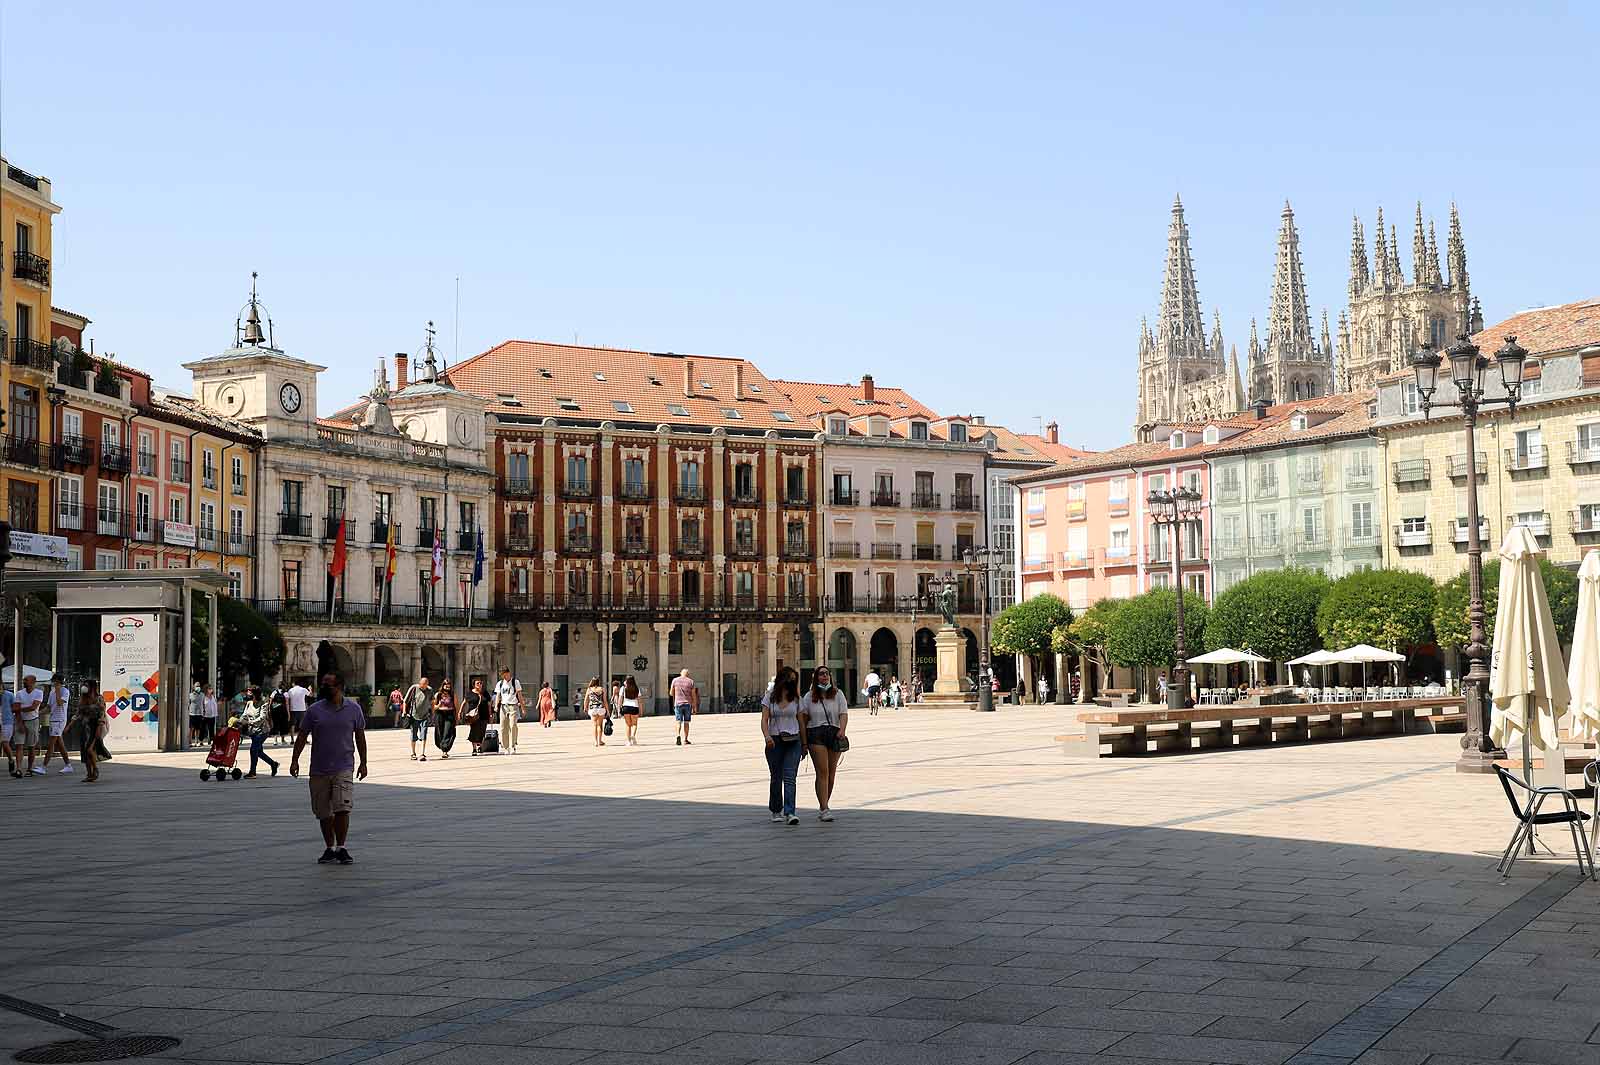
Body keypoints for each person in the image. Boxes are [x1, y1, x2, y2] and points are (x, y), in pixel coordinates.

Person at [290, 671, 368, 865]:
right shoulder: (314, 710)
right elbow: (302, 736)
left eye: (328, 685)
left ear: (339, 686)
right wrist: (294, 760)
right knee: (323, 812)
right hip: (319, 768)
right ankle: (329, 848)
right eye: (323, 684)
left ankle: (341, 847)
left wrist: (364, 762)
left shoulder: (354, 709)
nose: (324, 687)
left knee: (342, 808)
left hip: (344, 766)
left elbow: (360, 737)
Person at [800, 665, 848, 822]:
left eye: (827, 674)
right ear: (815, 678)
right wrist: (804, 742)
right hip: (816, 734)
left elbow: (843, 714)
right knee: (823, 772)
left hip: (834, 734)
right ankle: (824, 808)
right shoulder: (809, 697)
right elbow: (804, 719)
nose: (824, 677)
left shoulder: (838, 694)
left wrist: (842, 730)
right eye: (821, 674)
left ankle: (824, 803)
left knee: (832, 774)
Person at [762, 666, 806, 825]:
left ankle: (790, 812)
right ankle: (775, 810)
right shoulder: (769, 697)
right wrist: (767, 737)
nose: (791, 682)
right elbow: (764, 720)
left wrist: (804, 744)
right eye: (789, 679)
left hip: (794, 740)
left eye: (794, 680)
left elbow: (801, 722)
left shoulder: (797, 699)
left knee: (790, 777)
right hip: (774, 740)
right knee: (776, 777)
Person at [239, 687, 279, 779]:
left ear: (255, 694)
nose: (248, 695)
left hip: (262, 731)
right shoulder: (249, 703)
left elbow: (262, 718)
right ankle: (273, 764)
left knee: (253, 750)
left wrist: (249, 723)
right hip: (253, 731)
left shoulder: (263, 704)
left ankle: (252, 772)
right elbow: (244, 715)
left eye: (250, 693)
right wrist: (239, 721)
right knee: (259, 752)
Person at [41, 673, 73, 774]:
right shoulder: (52, 692)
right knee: (60, 743)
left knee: (51, 743)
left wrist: (58, 690)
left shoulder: (65, 691)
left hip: (60, 720)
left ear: (58, 682)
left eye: (54, 681)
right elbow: (49, 707)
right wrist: (37, 713)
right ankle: (68, 765)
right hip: (53, 719)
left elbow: (59, 703)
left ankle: (43, 767)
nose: (53, 683)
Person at [12, 674, 43, 777]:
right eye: (24, 680)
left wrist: (19, 709)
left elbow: (33, 707)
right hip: (20, 720)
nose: (24, 681)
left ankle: (29, 769)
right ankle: (19, 769)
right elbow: (15, 710)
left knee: (31, 747)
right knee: (19, 745)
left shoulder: (39, 693)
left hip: (33, 721)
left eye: (26, 680)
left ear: (33, 682)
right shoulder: (19, 693)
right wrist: (20, 723)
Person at [75, 684, 105, 784]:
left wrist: (100, 727)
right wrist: (70, 725)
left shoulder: (98, 698)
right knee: (85, 751)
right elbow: (78, 714)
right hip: (84, 727)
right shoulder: (82, 699)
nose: (85, 688)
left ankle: (95, 769)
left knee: (89, 749)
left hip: (95, 726)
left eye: (87, 685)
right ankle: (89, 774)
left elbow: (102, 713)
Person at [494, 667, 524, 753]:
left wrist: (522, 707)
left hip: (513, 706)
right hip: (503, 706)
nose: (504, 677)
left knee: (513, 725)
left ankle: (513, 745)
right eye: (502, 675)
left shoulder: (515, 682)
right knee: (503, 727)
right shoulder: (500, 683)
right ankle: (506, 747)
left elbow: (520, 695)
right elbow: (498, 696)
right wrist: (496, 706)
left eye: (505, 674)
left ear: (508, 673)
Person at [403, 675, 433, 761]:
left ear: (427, 684)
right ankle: (413, 753)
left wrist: (433, 713)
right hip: (413, 716)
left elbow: (432, 701)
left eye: (424, 685)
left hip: (425, 716)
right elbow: (405, 701)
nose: (422, 687)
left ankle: (422, 753)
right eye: (421, 685)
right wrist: (404, 712)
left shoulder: (430, 690)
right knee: (413, 735)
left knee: (424, 734)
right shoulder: (414, 688)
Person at [670, 668, 698, 746]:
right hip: (687, 704)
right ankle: (685, 739)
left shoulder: (675, 680)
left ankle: (678, 735)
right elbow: (693, 695)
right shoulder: (691, 681)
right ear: (688, 674)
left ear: (680, 673)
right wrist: (694, 706)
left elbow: (671, 693)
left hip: (678, 704)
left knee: (678, 721)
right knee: (686, 722)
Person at [462, 678, 489, 755]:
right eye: (478, 683)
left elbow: (489, 704)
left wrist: (490, 714)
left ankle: (480, 746)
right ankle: (474, 748)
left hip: (484, 715)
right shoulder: (469, 693)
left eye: (480, 683)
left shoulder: (485, 693)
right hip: (473, 716)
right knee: (474, 731)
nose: (480, 685)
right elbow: (464, 702)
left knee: (482, 731)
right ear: (474, 685)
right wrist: (460, 712)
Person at [433, 679, 457, 759]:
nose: (447, 686)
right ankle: (442, 746)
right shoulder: (438, 695)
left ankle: (445, 750)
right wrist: (438, 705)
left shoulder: (453, 695)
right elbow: (434, 707)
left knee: (448, 732)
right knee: (440, 732)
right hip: (440, 714)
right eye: (446, 684)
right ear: (443, 685)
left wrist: (457, 718)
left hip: (449, 714)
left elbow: (456, 706)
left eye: (449, 684)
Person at [584, 677, 609, 747]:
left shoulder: (589, 689)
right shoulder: (601, 689)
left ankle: (595, 742)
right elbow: (605, 701)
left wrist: (585, 707)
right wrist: (608, 710)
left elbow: (586, 699)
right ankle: (600, 740)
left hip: (593, 708)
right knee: (600, 725)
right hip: (601, 708)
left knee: (594, 725)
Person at [620, 675, 642, 745]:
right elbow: (640, 701)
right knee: (634, 724)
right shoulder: (636, 689)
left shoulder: (623, 688)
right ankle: (633, 735)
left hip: (626, 707)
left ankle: (628, 741)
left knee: (628, 725)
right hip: (634, 707)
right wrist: (641, 710)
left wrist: (619, 709)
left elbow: (620, 700)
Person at [188, 681, 205, 747]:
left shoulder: (202, 695)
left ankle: (196, 741)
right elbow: (188, 704)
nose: (198, 687)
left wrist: (203, 712)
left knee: (198, 729)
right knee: (191, 728)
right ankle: (190, 742)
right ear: (194, 687)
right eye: (197, 686)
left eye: (199, 686)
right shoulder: (190, 695)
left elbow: (203, 704)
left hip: (199, 714)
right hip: (192, 713)